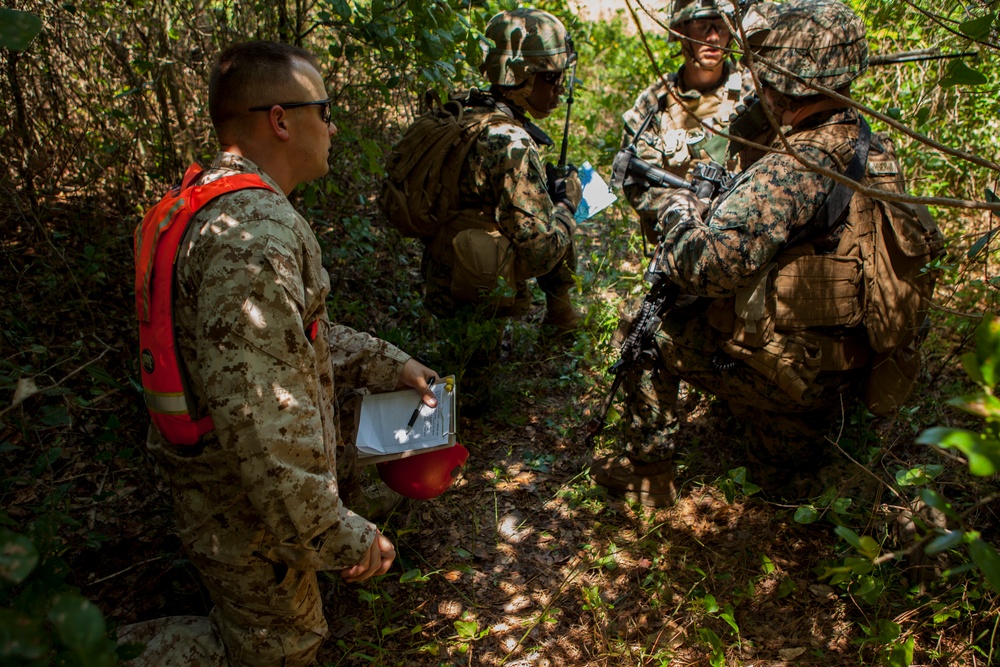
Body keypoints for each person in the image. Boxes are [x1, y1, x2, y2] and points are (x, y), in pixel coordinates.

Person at [120, 41, 440, 666]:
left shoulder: (220, 202)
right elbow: (263, 426)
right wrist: (340, 537)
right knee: (285, 650)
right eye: (324, 109)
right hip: (236, 497)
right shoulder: (254, 235)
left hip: (224, 471)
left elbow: (288, 338)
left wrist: (390, 362)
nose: (333, 125)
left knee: (407, 422)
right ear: (281, 119)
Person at [593, 0, 939, 505]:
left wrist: (678, 211)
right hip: (852, 362)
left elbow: (705, 268)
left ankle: (650, 475)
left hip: (804, 373)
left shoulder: (796, 165)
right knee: (781, 483)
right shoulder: (867, 141)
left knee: (643, 323)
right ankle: (789, 446)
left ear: (789, 77)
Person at [417, 7, 582, 334]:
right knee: (472, 380)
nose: (560, 90)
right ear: (523, 78)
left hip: (442, 279)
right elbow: (541, 254)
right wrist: (566, 207)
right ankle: (560, 323)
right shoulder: (511, 143)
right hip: (477, 294)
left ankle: (560, 319)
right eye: (552, 78)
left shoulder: (464, 110)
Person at [619, 0, 755, 247]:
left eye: (722, 26)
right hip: (679, 245)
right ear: (681, 33)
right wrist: (680, 207)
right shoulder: (654, 103)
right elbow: (633, 180)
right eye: (702, 26)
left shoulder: (753, 92)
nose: (713, 37)